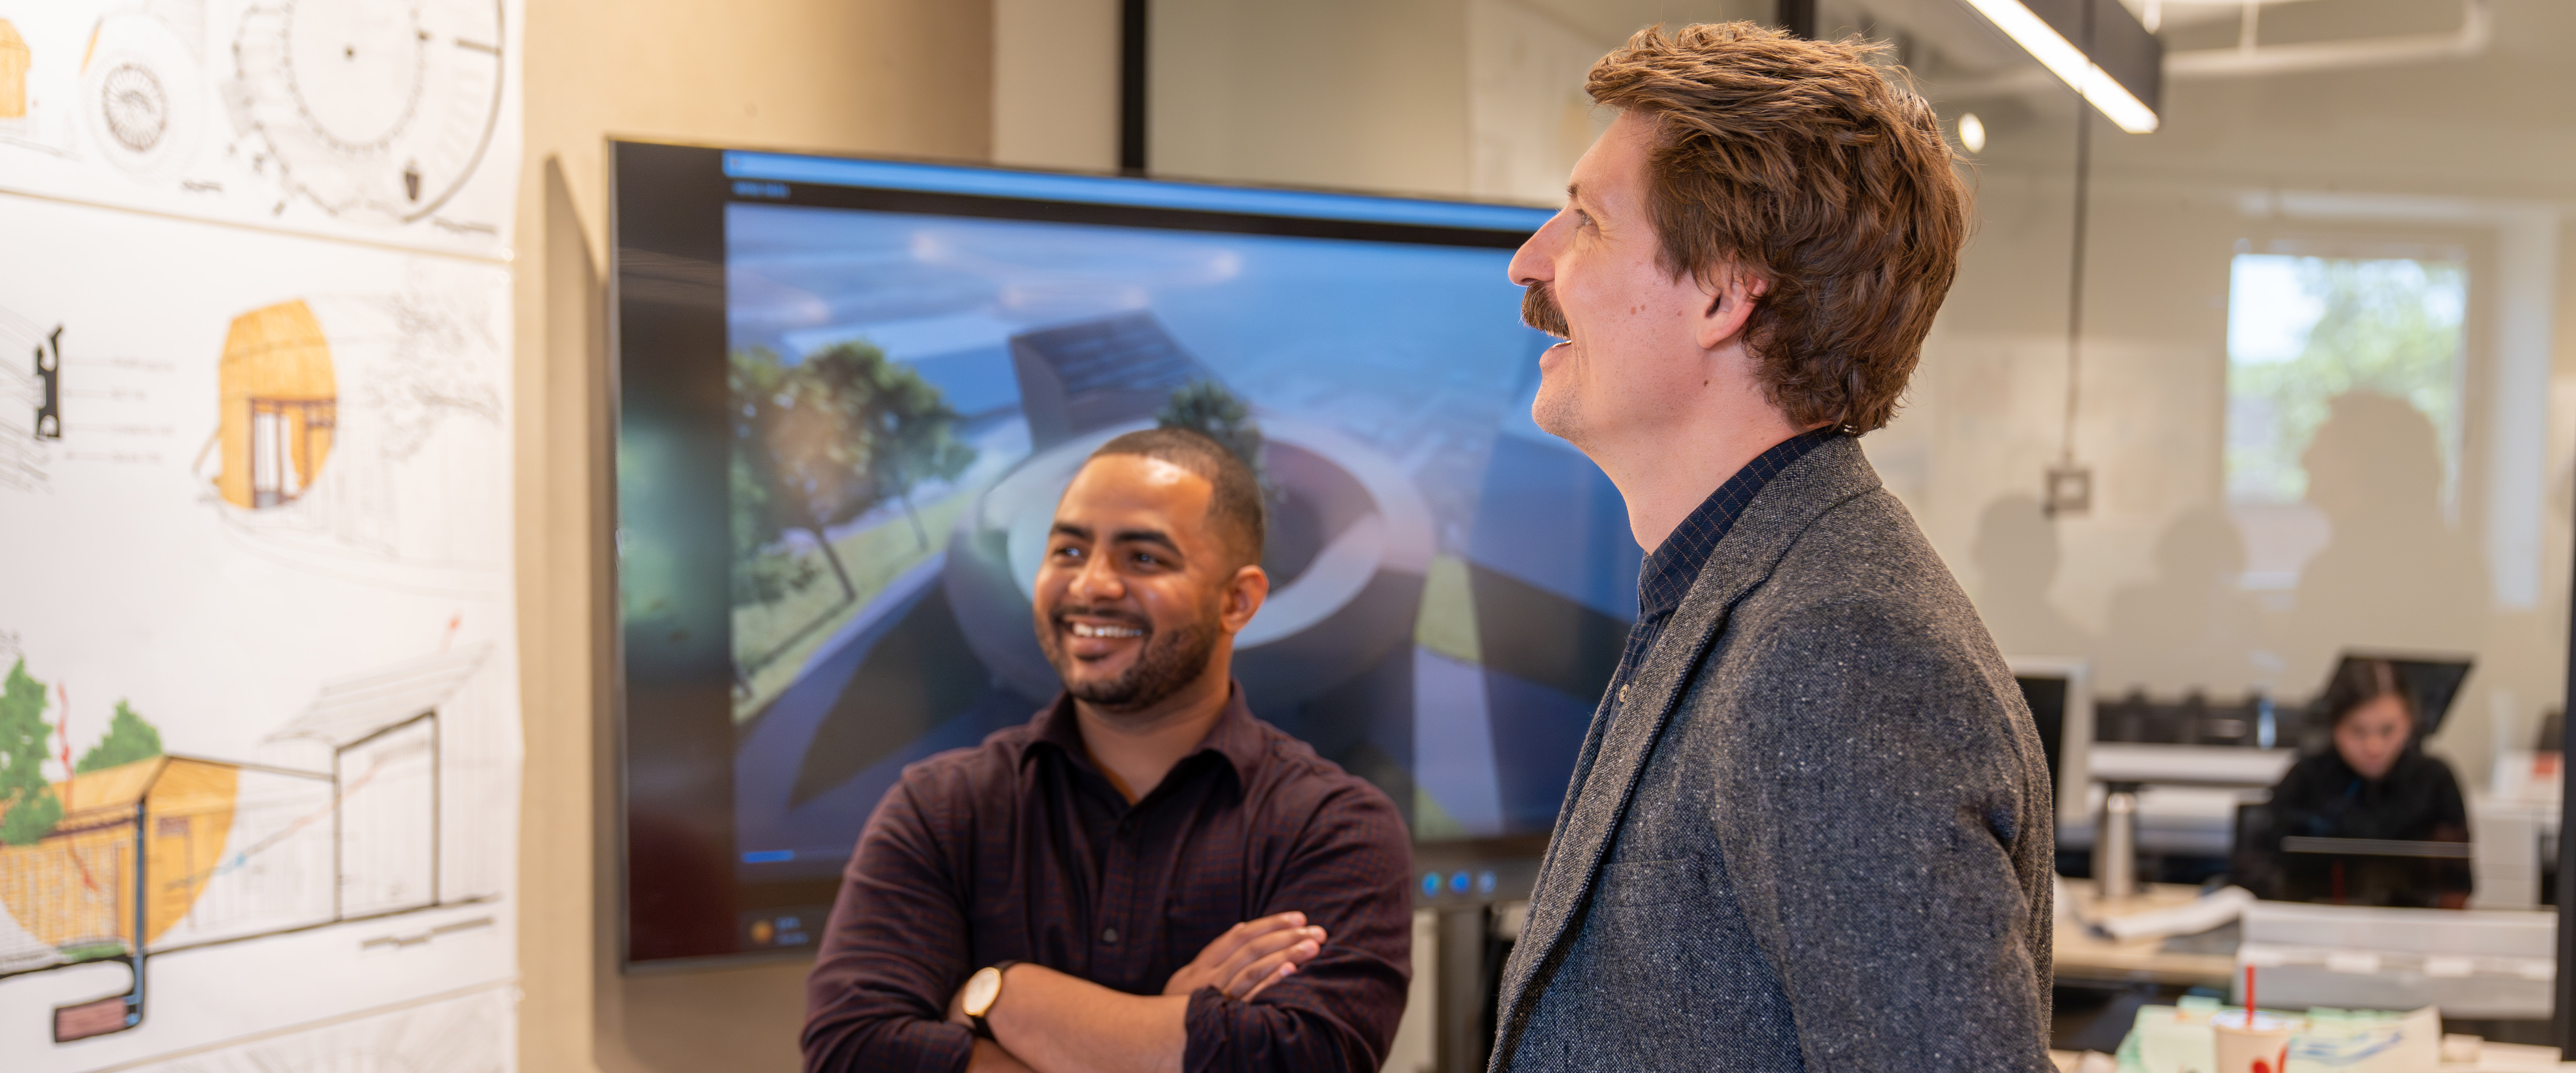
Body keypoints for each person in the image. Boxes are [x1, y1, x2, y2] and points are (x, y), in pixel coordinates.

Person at [1488, 24, 2055, 1072]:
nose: (1532, 260)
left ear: (1722, 293)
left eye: (1586, 221)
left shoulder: (1838, 654)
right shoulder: (1744, 591)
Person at [801, 427, 1414, 1073]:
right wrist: (1171, 1030)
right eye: (1067, 550)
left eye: (1143, 559)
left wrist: (1004, 996)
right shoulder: (940, 809)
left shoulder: (1335, 827)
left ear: (1238, 600)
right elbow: (852, 1052)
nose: (1091, 586)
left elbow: (1301, 1062)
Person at [2240, 658, 2472, 908]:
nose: (2374, 747)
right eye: (2358, 731)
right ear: (2336, 726)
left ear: (2409, 722)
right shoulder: (2306, 778)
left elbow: (2457, 886)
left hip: (2413, 932)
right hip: (2316, 928)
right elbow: (2258, 872)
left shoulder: (2435, 781)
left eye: (2387, 730)